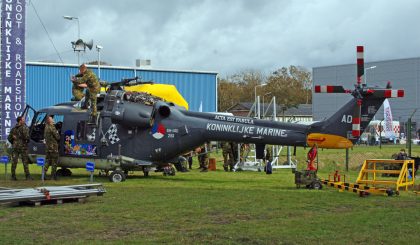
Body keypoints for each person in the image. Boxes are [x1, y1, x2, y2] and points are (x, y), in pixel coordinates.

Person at [7, 116, 32, 180]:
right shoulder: (24, 127)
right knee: (25, 162)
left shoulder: (14, 128)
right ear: (20, 121)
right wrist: (27, 140)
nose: (24, 120)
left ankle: (13, 176)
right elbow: (27, 137)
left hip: (15, 147)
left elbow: (9, 138)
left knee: (14, 162)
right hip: (23, 147)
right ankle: (28, 176)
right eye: (23, 119)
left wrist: (15, 142)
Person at [44, 116, 60, 180]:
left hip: (48, 147)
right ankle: (53, 176)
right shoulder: (52, 127)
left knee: (47, 161)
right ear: (49, 121)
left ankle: (43, 174)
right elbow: (58, 137)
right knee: (54, 162)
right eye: (52, 119)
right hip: (53, 148)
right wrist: (58, 133)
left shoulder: (46, 127)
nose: (53, 120)